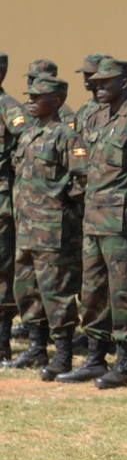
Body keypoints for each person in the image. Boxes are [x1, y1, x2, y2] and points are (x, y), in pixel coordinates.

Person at [56, 58, 127, 388]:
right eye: (97, 81)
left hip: (122, 221)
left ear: (124, 83)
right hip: (93, 219)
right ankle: (95, 357)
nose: (97, 85)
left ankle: (124, 363)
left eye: (106, 81)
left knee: (124, 292)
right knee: (92, 291)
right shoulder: (96, 116)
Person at [9, 76, 87, 378]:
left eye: (38, 96)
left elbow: (83, 178)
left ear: (55, 101)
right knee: (27, 290)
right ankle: (36, 348)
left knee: (56, 293)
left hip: (53, 229)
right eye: (29, 95)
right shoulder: (29, 135)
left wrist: (64, 208)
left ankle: (63, 354)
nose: (30, 100)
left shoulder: (65, 136)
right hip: (27, 228)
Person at [0, 51, 27, 361]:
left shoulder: (9, 108)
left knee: (3, 270)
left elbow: (26, 142)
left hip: (3, 199)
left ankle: (3, 339)